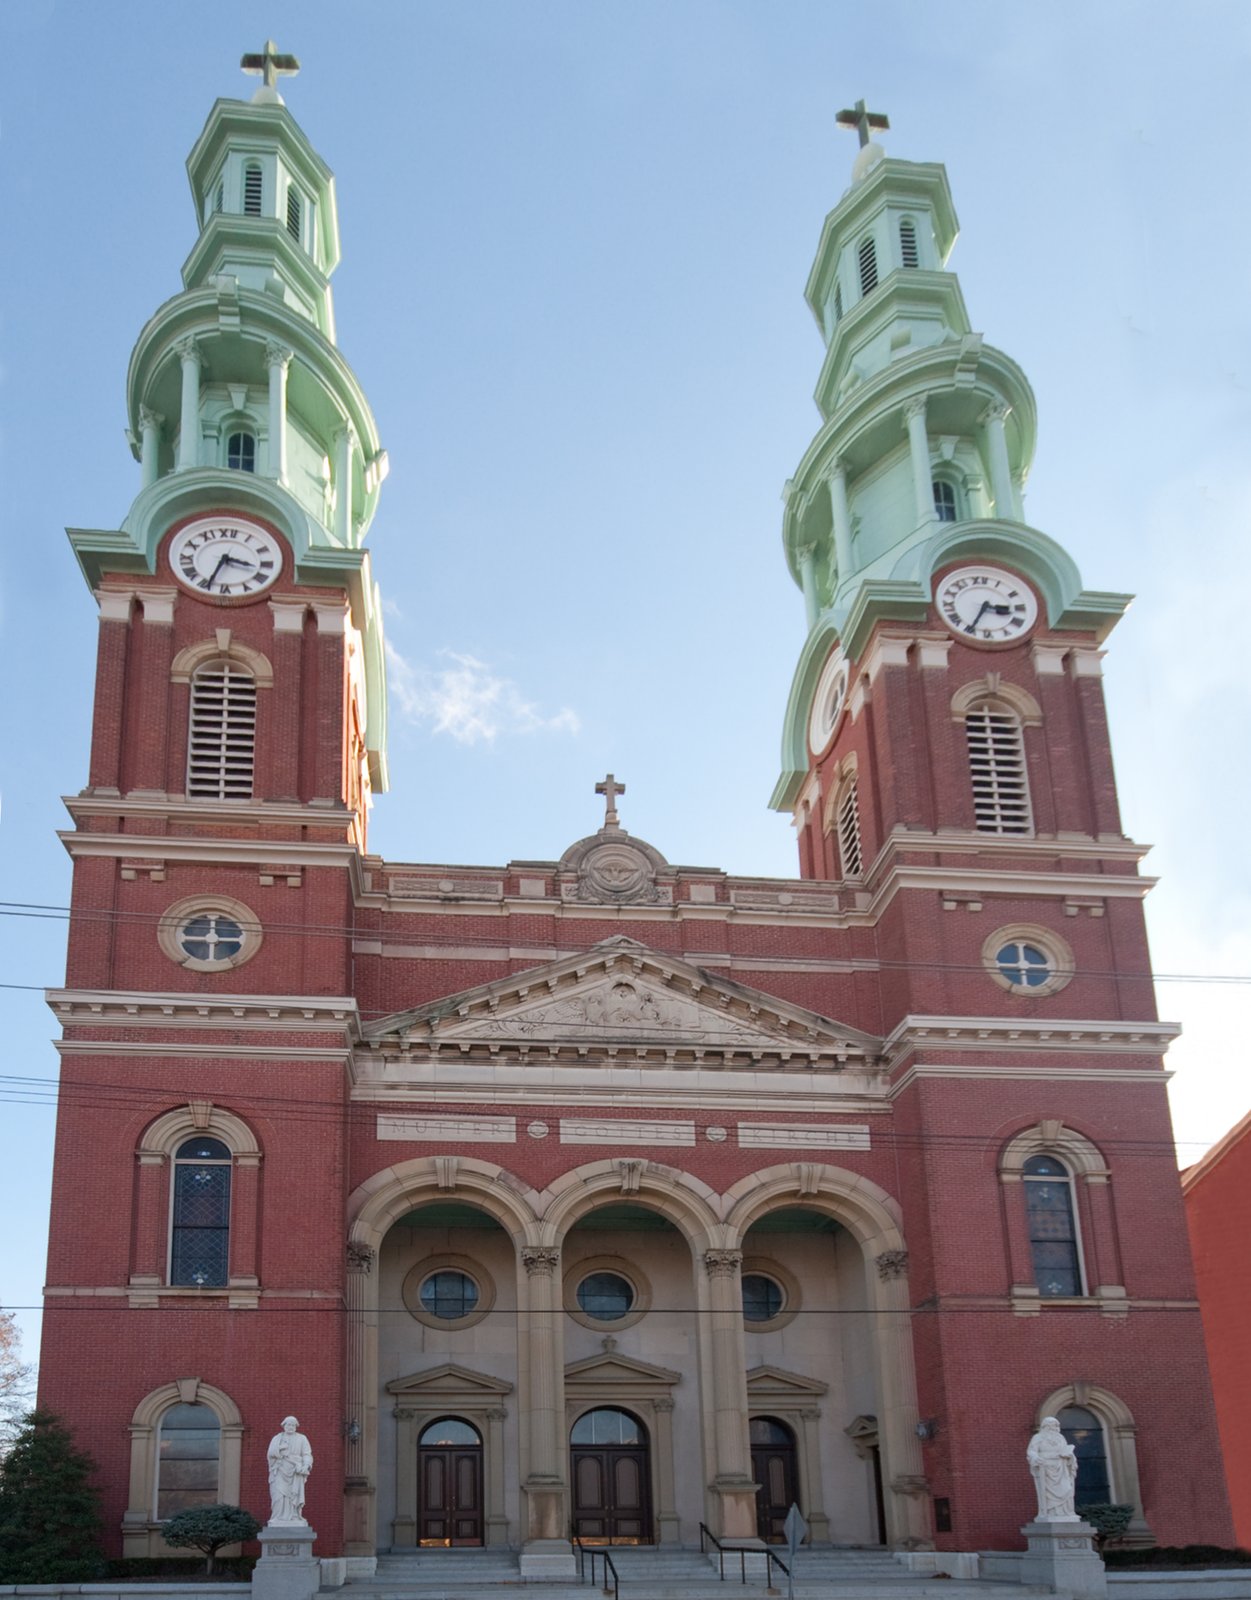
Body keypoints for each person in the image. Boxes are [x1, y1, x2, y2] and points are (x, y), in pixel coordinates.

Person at [1027, 1416, 1079, 1521]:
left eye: (1056, 1426)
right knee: (1047, 1493)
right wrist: (1035, 1457)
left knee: (1067, 1489)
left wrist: (1069, 1456)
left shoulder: (1061, 1438)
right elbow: (1031, 1451)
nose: (1054, 1428)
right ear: (1045, 1426)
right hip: (1046, 1468)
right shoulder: (1038, 1437)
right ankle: (1051, 1513)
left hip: (1061, 1467)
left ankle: (1065, 1513)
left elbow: (1066, 1450)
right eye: (1051, 1425)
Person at [267, 1416, 313, 1525]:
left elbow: (307, 1454)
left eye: (293, 1425)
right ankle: (277, 1517)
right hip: (280, 1469)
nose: (290, 1427)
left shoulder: (302, 1438)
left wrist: (306, 1465)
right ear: (284, 1426)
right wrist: (280, 1448)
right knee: (278, 1495)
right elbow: (270, 1453)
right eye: (288, 1424)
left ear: (296, 1426)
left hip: (295, 1471)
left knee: (294, 1495)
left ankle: (294, 1516)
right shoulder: (277, 1438)